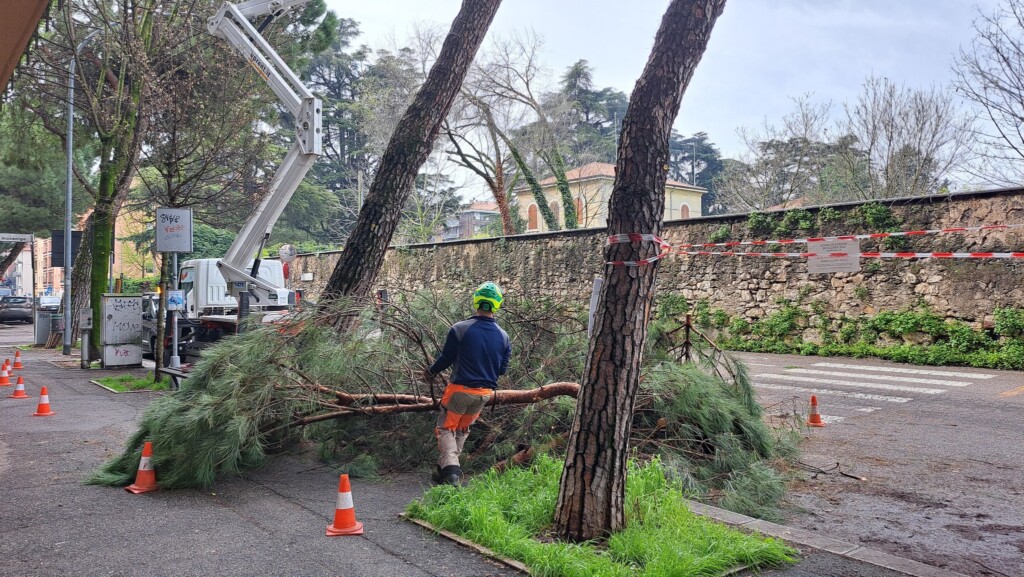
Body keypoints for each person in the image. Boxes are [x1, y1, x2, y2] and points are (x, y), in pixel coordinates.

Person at [423, 282, 511, 486]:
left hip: (459, 391)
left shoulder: (460, 329)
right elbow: (502, 370)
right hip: (484, 395)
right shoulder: (504, 337)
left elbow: (446, 359)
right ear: (497, 305)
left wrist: (430, 372)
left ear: (476, 302)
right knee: (462, 430)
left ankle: (452, 472)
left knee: (445, 429)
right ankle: (442, 470)